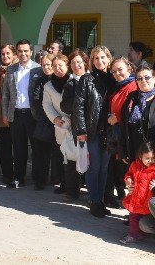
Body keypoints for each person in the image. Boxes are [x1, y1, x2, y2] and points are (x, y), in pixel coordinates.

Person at [75, 45, 114, 217]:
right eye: (96, 58)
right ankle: (94, 201)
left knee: (104, 167)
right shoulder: (86, 79)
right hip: (92, 130)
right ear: (92, 61)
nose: (100, 61)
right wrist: (81, 129)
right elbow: (78, 106)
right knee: (94, 166)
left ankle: (101, 200)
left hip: (109, 131)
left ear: (108, 59)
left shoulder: (113, 79)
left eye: (103, 57)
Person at [1, 39, 41, 188]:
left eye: (26, 51)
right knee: (18, 148)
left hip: (33, 114)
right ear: (16, 52)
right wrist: (5, 114)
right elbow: (6, 94)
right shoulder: (11, 70)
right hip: (16, 113)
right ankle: (19, 177)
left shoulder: (38, 69)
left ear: (31, 52)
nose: (23, 54)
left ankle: (38, 178)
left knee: (36, 147)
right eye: (20, 51)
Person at [120, 66, 155, 164]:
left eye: (147, 77)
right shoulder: (131, 100)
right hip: (136, 154)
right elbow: (123, 128)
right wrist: (123, 151)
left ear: (154, 78)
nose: (143, 80)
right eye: (139, 78)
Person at [106, 57, 138, 208]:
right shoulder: (120, 86)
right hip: (118, 134)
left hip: (127, 136)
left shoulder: (133, 86)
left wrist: (116, 117)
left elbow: (132, 111)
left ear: (129, 69)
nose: (117, 73)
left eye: (120, 70)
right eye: (114, 71)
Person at [42, 53, 74, 196]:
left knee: (75, 155)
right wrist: (54, 118)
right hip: (60, 124)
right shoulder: (48, 85)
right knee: (60, 155)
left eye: (60, 65)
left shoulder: (74, 80)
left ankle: (75, 184)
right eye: (54, 66)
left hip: (75, 122)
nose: (57, 68)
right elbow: (46, 104)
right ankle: (63, 183)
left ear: (67, 66)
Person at [59, 49, 89, 200]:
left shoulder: (93, 79)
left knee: (92, 158)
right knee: (72, 158)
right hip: (76, 126)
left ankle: (94, 192)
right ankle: (72, 191)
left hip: (92, 125)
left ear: (85, 62)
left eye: (79, 62)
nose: (77, 65)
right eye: (73, 62)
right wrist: (78, 103)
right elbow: (64, 106)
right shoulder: (70, 83)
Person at [29, 52, 60, 190]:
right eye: (43, 65)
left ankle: (57, 178)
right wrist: (46, 114)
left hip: (60, 120)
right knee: (41, 152)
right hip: (44, 120)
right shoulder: (40, 80)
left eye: (49, 64)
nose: (46, 67)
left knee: (58, 152)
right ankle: (40, 179)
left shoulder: (61, 79)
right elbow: (35, 100)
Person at [120, 142, 155, 243]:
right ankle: (132, 235)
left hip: (147, 201)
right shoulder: (134, 165)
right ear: (140, 156)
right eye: (147, 158)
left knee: (144, 219)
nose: (150, 161)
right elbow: (128, 174)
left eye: (153, 158)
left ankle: (143, 234)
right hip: (136, 199)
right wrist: (128, 179)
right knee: (134, 218)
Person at [0, 44, 16, 185]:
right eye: (3, 54)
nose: (5, 56)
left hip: (16, 112)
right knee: (4, 146)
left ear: (13, 54)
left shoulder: (17, 69)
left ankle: (19, 174)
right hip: (2, 113)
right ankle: (7, 174)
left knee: (18, 146)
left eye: (8, 53)